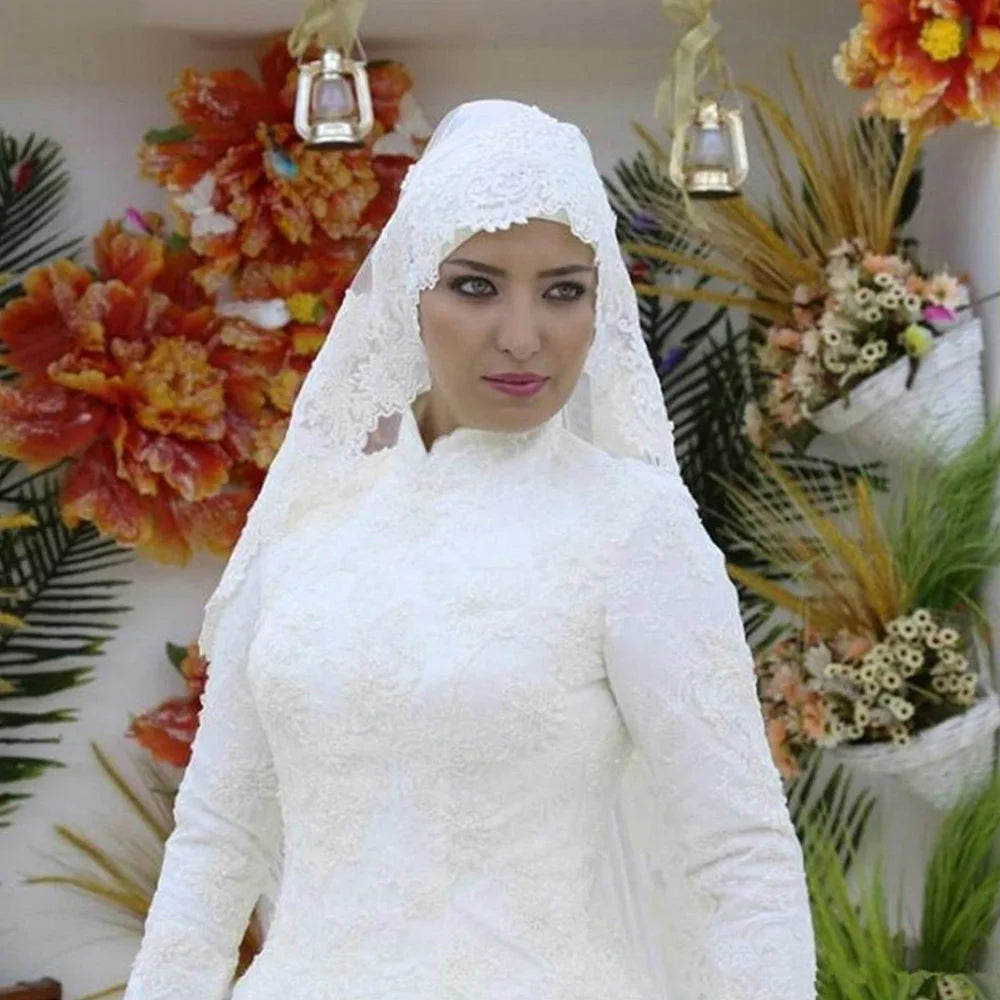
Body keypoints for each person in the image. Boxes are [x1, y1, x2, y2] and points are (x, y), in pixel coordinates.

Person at [122, 99, 816, 1000]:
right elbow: (218, 837)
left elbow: (740, 858)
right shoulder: (306, 526)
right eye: (478, 286)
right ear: (411, 292)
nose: (523, 337)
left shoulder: (632, 530)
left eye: (563, 291)